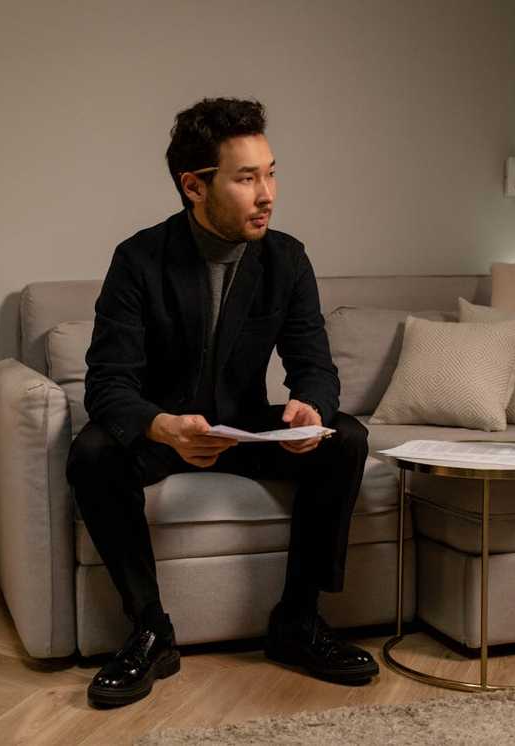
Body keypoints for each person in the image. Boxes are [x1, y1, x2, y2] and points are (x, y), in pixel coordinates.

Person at [67, 98, 376, 708]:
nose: (268, 194)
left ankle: (297, 620)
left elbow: (314, 364)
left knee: (349, 437)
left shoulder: (286, 258)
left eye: (270, 172)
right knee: (92, 452)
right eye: (246, 178)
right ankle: (151, 630)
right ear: (194, 186)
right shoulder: (138, 259)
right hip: (164, 431)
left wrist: (310, 407)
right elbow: (107, 383)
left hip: (241, 425)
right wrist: (162, 427)